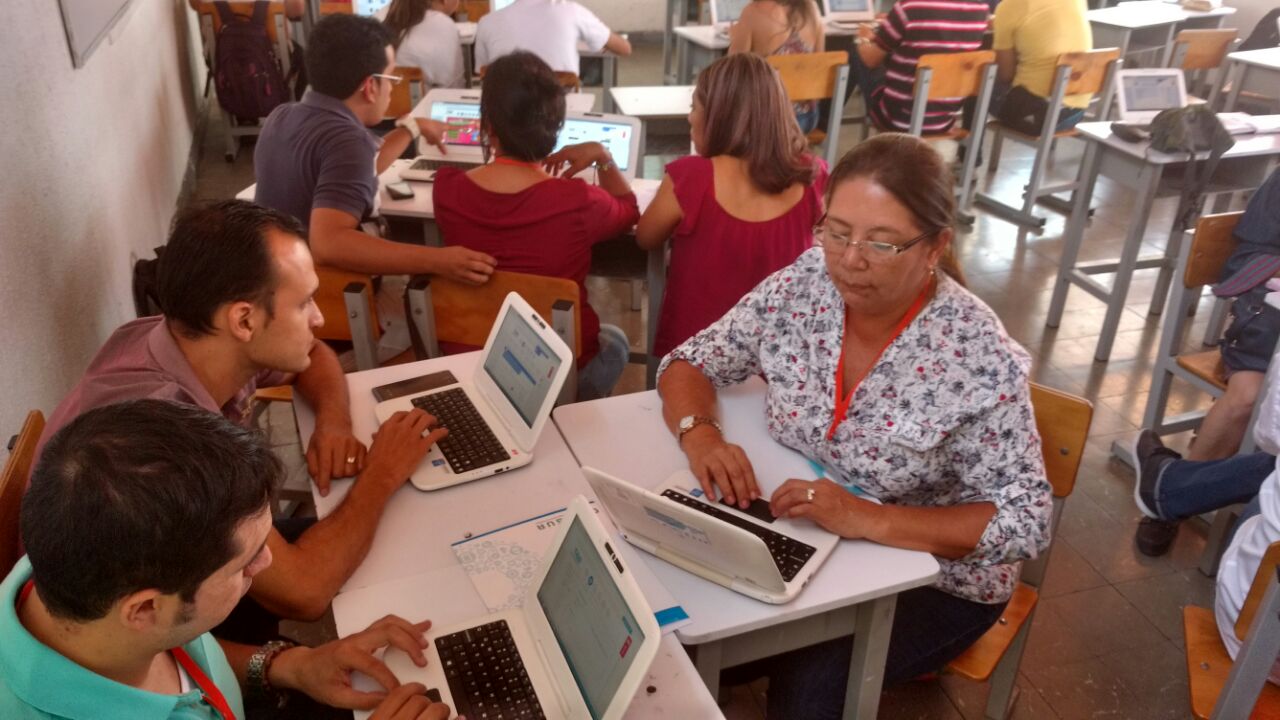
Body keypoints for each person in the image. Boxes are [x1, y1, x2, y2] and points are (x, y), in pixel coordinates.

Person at [656, 134, 1051, 718]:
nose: (850, 260)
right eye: (836, 232)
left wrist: (868, 517)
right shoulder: (806, 283)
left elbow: (1026, 519)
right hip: (811, 533)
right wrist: (701, 434)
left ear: (935, 246)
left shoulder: (975, 355)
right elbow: (690, 361)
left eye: (882, 243)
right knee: (681, 633)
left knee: (808, 692)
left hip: (937, 580)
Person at [35, 200, 445, 636]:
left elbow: (314, 355)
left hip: (182, 562)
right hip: (145, 633)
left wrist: (334, 422)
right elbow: (305, 592)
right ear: (244, 320)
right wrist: (382, 472)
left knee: (397, 536)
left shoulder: (191, 338)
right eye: (304, 303)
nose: (319, 318)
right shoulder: (166, 452)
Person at [3, 399, 450, 720]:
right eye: (244, 564)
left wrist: (290, 667)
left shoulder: (65, 573)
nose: (267, 563)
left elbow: (186, 658)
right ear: (145, 608)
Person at [255, 14, 496, 360]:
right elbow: (329, 242)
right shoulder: (348, 141)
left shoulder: (283, 116)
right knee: (442, 321)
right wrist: (439, 260)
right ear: (370, 87)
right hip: (333, 312)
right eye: (391, 78)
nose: (392, 89)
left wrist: (411, 130)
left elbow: (351, 173)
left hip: (277, 296)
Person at [432, 51, 638, 400]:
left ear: (489, 126)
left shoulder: (447, 190)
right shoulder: (578, 200)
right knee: (615, 342)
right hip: (552, 376)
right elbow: (629, 211)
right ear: (556, 128)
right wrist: (602, 157)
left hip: (470, 365)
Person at [636, 53, 828, 358]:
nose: (689, 118)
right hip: (778, 356)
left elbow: (646, 237)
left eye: (693, 108)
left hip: (697, 357)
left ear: (718, 117)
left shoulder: (690, 177)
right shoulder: (814, 176)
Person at [1135, 169, 1280, 556]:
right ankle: (1172, 502)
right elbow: (1246, 261)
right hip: (1268, 318)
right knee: (1247, 398)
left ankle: (1181, 487)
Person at [850, 0, 989, 133]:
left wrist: (863, 37)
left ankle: (835, 114)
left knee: (857, 50)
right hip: (942, 121)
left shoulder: (909, 6)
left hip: (896, 119)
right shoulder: (980, 9)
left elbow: (871, 61)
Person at [988, 0, 1092, 135]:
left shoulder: (1010, 6)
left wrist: (1002, 23)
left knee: (978, 80)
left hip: (1038, 114)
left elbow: (1006, 75)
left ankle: (969, 145)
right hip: (1075, 113)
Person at [726, 0, 825, 132]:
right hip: (807, 118)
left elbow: (733, 70)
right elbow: (819, 64)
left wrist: (735, 37)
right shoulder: (811, 7)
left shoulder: (752, 12)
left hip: (767, 122)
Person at [473, 0, 632, 75]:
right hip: (562, 113)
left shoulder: (487, 22)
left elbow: (483, 72)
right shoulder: (573, 12)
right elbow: (625, 49)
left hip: (506, 118)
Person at [380, 0, 467, 89]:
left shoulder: (389, 24)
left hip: (391, 96)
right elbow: (455, 85)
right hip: (432, 97)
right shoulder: (444, 25)